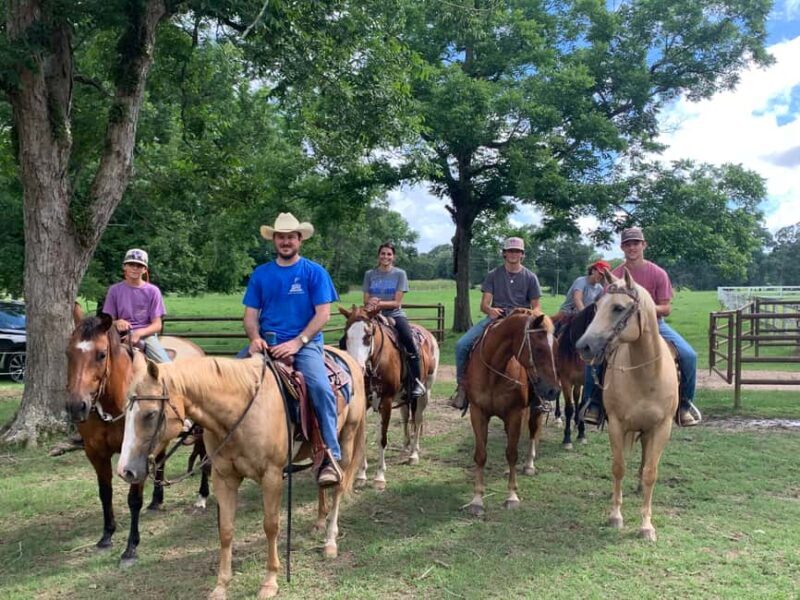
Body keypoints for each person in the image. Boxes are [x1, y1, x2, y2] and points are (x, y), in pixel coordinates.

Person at [239, 212, 341, 486]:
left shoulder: (314, 272)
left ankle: (329, 453)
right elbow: (250, 315)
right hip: (266, 343)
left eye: (290, 237)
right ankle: (219, 446)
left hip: (304, 344)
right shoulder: (261, 274)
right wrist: (254, 337)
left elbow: (323, 315)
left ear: (300, 240)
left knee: (320, 388)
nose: (286, 242)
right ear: (274, 240)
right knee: (225, 380)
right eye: (281, 237)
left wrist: (298, 342)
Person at [580, 227, 701, 427]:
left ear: (643, 245)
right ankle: (594, 403)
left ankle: (685, 404)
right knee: (594, 356)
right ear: (622, 247)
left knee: (689, 355)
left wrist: (645, 308)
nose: (632, 247)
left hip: (655, 325)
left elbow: (666, 307)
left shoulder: (658, 273)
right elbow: (606, 306)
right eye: (627, 244)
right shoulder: (615, 275)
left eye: (636, 243)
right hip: (620, 327)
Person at [448, 237, 542, 410]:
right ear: (504, 253)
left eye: (517, 251)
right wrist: (490, 310)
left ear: (522, 255)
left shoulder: (530, 277)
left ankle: (538, 395)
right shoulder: (493, 275)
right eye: (510, 251)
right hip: (496, 319)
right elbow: (484, 304)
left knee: (542, 348)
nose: (514, 254)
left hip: (521, 324)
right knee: (462, 345)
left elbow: (537, 307)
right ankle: (462, 386)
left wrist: (526, 314)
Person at [363, 242, 426, 401]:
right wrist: (372, 305)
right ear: (379, 255)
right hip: (372, 314)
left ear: (393, 257)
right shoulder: (370, 274)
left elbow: (397, 302)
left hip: (394, 314)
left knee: (408, 340)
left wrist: (378, 303)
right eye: (383, 253)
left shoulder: (400, 274)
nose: (385, 257)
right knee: (348, 337)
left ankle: (416, 382)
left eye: (389, 254)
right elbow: (365, 299)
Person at [102, 248, 171, 364]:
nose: (135, 268)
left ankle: (169, 378)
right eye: (131, 264)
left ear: (144, 270)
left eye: (139, 266)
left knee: (165, 365)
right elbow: (109, 320)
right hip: (118, 335)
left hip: (146, 335)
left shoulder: (153, 291)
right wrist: (117, 322)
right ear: (124, 266)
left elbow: (157, 325)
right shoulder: (114, 290)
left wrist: (138, 333)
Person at [552, 259, 610, 334]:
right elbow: (577, 299)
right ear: (593, 271)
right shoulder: (581, 281)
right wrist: (585, 315)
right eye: (600, 273)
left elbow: (599, 305)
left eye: (603, 275)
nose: (601, 277)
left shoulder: (600, 289)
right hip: (567, 313)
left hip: (584, 316)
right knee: (555, 332)